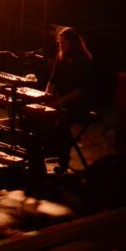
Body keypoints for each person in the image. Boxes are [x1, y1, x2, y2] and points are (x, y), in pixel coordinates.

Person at [39, 26, 96, 173]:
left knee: (63, 123)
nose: (62, 46)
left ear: (73, 43)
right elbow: (52, 80)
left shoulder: (83, 61)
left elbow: (81, 91)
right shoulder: (61, 58)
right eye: (60, 43)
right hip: (63, 100)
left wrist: (60, 101)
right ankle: (43, 153)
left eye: (65, 43)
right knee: (38, 116)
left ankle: (62, 161)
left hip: (79, 104)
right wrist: (46, 96)